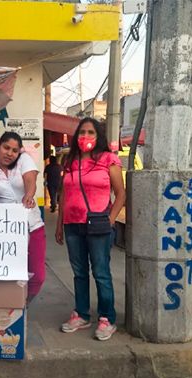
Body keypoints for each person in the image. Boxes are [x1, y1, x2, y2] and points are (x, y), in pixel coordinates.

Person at [54, 117, 126, 341]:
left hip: (98, 225)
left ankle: (107, 318)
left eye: (91, 132)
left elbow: (120, 193)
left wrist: (111, 219)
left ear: (98, 136)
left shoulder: (108, 159)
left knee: (101, 273)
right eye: (82, 132)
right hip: (72, 225)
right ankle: (82, 314)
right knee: (79, 272)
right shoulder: (71, 160)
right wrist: (59, 223)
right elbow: (64, 193)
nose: (85, 136)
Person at [0, 132, 45, 301]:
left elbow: (30, 178)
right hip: (6, 233)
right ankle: (13, 309)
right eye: (6, 148)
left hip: (33, 226)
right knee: (11, 276)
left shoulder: (24, 160)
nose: (10, 153)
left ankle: (25, 303)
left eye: (14, 150)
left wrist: (29, 194)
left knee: (38, 276)